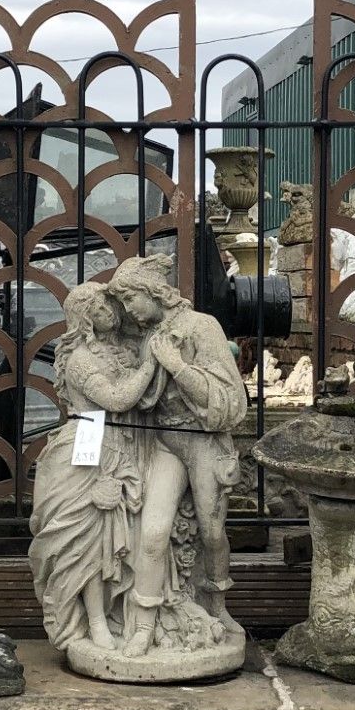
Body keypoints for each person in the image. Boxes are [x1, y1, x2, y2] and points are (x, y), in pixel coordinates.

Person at [106, 255, 247, 657]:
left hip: (204, 443)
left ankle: (216, 605)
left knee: (212, 532)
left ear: (153, 292)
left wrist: (177, 366)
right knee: (152, 532)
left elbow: (231, 403)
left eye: (131, 298)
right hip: (166, 442)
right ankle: (144, 623)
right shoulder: (145, 334)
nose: (128, 309)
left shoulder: (202, 326)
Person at [28, 282, 162, 651]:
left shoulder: (121, 349)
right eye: (100, 308)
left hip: (121, 447)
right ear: (85, 319)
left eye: (108, 305)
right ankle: (96, 621)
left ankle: (124, 616)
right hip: (87, 450)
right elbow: (117, 399)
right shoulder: (81, 360)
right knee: (87, 543)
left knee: (121, 541)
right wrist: (154, 361)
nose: (109, 312)